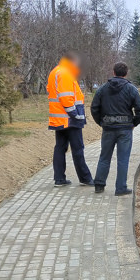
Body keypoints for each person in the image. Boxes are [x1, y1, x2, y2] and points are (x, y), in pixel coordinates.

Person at [90, 62, 140, 196]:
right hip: (125, 129)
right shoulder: (131, 89)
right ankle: (120, 188)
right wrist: (134, 123)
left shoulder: (102, 89)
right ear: (126, 73)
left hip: (108, 128)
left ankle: (99, 185)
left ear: (113, 72)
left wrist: (101, 122)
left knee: (104, 157)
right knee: (123, 159)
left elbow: (94, 108)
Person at [47, 51, 94, 187]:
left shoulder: (55, 72)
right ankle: (85, 178)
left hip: (59, 118)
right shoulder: (65, 73)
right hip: (70, 119)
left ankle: (59, 179)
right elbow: (66, 97)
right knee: (78, 149)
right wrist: (76, 115)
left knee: (60, 148)